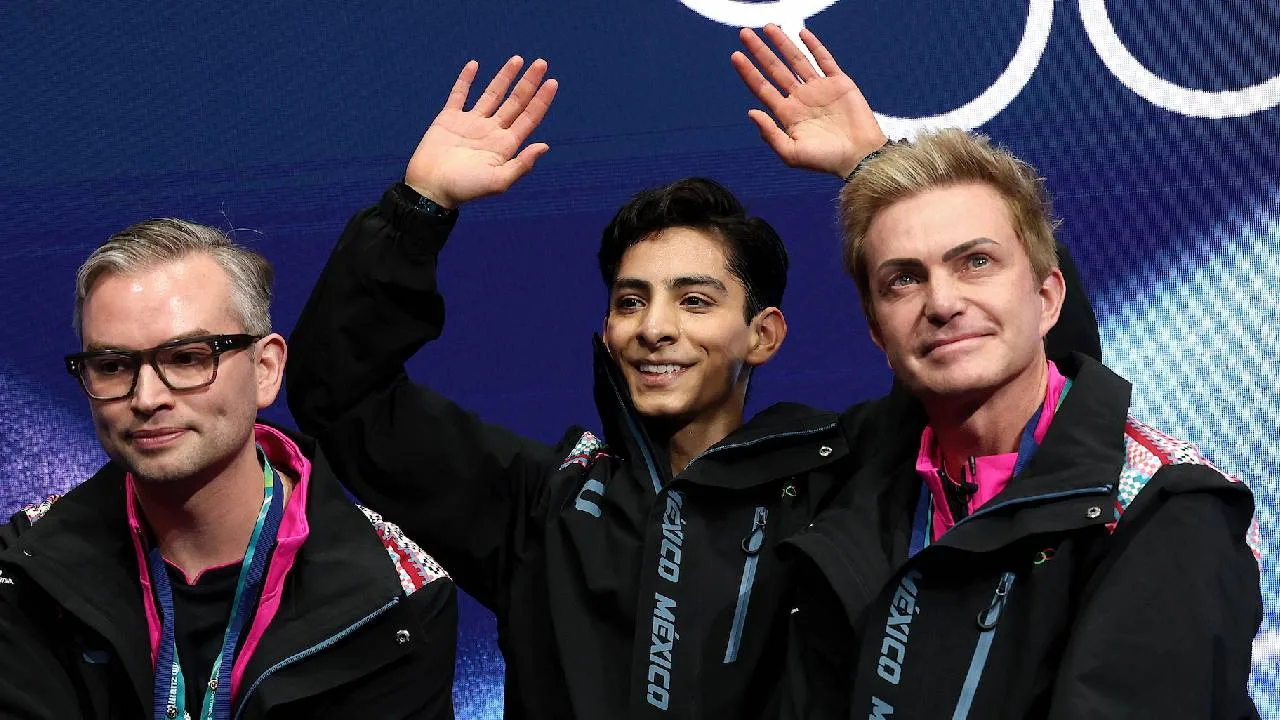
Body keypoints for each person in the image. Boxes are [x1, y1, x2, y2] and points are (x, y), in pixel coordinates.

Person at [285, 52, 1101, 719]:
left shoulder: (846, 474)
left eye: (696, 300)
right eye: (630, 301)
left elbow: (1035, 370)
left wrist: (879, 169)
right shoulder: (541, 506)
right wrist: (418, 209)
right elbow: (339, 395)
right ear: (606, 329)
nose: (656, 327)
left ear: (765, 334)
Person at [733, 26, 1263, 719]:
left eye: (975, 261)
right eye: (903, 281)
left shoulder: (1164, 510)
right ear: (876, 334)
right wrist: (869, 165)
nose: (943, 302)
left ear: (1047, 298)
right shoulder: (852, 481)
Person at [0, 219, 457, 719]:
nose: (147, 398)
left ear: (266, 370)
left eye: (188, 358)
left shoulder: (401, 592)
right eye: (113, 366)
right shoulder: (23, 571)